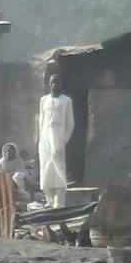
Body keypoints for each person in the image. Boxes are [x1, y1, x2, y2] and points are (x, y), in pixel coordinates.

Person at [38, 69, 75, 207]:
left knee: (58, 168)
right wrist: (40, 138)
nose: (54, 85)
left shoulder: (66, 101)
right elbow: (41, 120)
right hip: (45, 137)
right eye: (52, 83)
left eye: (57, 82)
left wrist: (63, 140)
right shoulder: (44, 100)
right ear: (49, 85)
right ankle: (49, 199)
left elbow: (70, 122)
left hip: (58, 136)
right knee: (46, 167)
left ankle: (59, 201)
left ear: (60, 84)